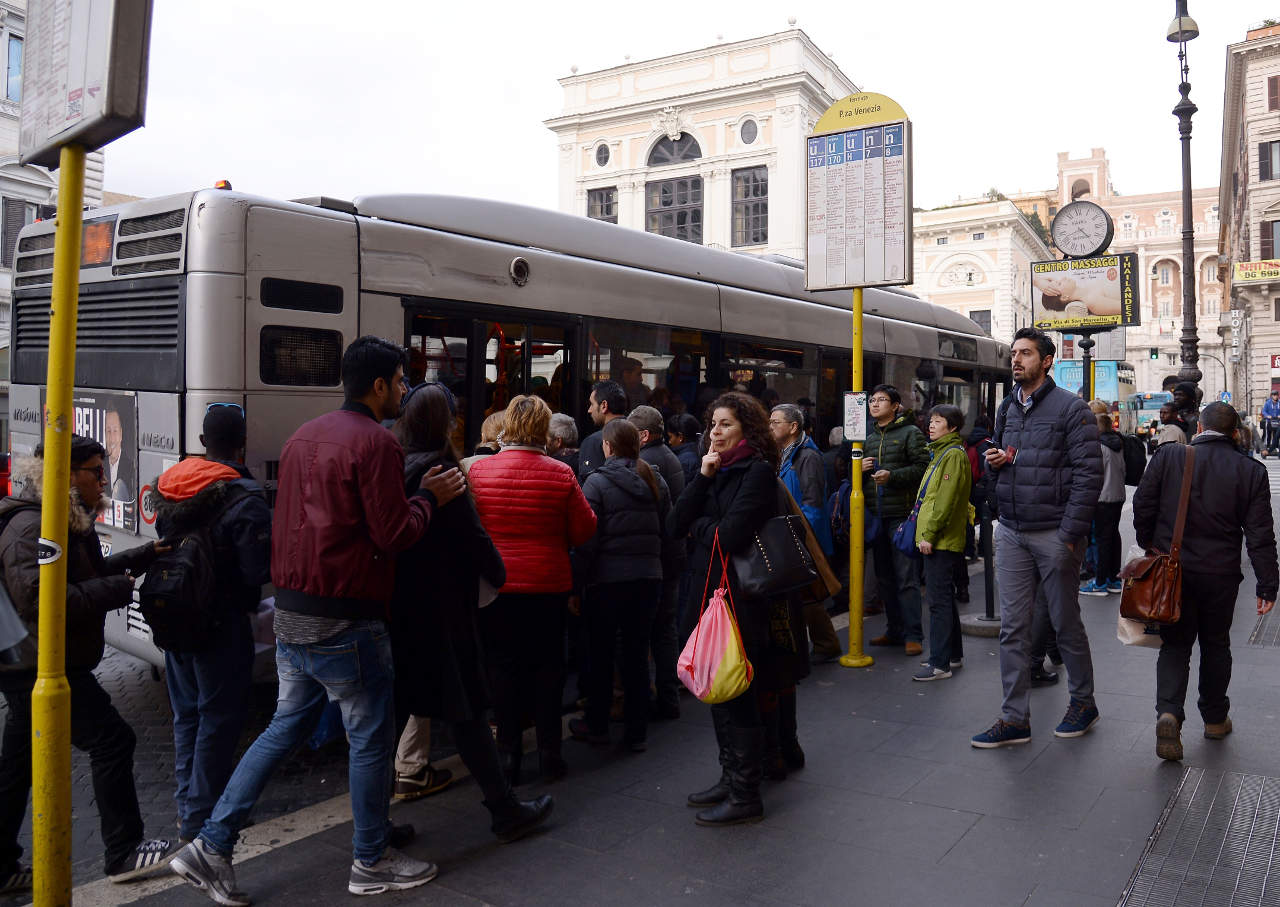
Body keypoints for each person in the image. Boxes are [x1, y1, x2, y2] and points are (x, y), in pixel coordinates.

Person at [171, 337, 467, 903]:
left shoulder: (304, 434)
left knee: (285, 727)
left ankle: (211, 844)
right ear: (378, 386)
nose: (404, 391)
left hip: (293, 612)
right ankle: (371, 860)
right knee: (370, 739)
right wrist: (429, 497)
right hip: (346, 619)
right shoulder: (376, 444)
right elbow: (395, 533)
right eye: (401, 381)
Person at [0, 436, 174, 895]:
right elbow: (43, 598)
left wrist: (141, 556)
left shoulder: (61, 519)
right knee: (113, 740)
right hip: (39, 667)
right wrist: (118, 590)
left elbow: (80, 576)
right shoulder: (32, 527)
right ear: (66, 474)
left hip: (33, 662)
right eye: (96, 471)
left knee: (17, 765)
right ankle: (123, 851)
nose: (103, 481)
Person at [389, 383, 553, 839]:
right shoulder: (443, 470)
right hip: (443, 611)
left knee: (389, 717)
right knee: (468, 714)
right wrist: (497, 573)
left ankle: (373, 821)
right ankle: (504, 809)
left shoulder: (396, 463)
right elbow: (473, 538)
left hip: (401, 608)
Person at [972, 327, 1102, 749]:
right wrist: (995, 470)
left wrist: (1069, 536)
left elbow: (1088, 477)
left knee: (1065, 624)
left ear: (1046, 361)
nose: (1016, 360)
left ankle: (1083, 703)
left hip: (1054, 533)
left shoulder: (1072, 409)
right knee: (1013, 629)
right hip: (1011, 530)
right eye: (1013, 353)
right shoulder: (1008, 407)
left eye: (1025, 353)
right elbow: (1004, 457)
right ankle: (1015, 718)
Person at [150, 404, 272, 849]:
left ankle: (190, 810)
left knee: (186, 716)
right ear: (241, 442)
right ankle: (202, 821)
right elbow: (255, 570)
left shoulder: (173, 486)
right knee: (219, 719)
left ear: (202, 443)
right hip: (221, 626)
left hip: (174, 616)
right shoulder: (244, 495)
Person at [1133, 402, 1278, 760]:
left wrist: (1149, 544)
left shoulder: (1169, 458)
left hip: (1174, 570)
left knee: (1175, 645)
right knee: (1216, 644)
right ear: (1234, 434)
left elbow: (1142, 504)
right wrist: (1267, 585)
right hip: (1220, 574)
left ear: (1199, 428)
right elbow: (1260, 534)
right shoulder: (1250, 471)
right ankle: (1214, 719)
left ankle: (1169, 713)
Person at [670, 392, 783, 827]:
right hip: (707, 591)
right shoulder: (714, 469)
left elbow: (728, 536)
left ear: (746, 431)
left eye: (724, 425)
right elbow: (673, 525)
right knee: (717, 688)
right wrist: (701, 478)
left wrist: (702, 529)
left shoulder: (756, 473)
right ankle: (728, 776)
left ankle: (745, 792)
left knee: (738, 693)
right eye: (712, 424)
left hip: (739, 597)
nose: (714, 433)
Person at [470, 395, 596, 784]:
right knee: (548, 668)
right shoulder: (560, 473)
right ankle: (549, 753)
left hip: (499, 587)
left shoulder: (480, 472)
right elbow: (584, 530)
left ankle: (508, 754)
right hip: (548, 584)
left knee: (503, 668)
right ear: (544, 429)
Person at [569, 419, 667, 751]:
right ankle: (636, 732)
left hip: (607, 582)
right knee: (637, 656)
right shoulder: (654, 479)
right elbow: (667, 528)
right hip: (648, 579)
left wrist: (575, 584)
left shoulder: (595, 483)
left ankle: (597, 725)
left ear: (607, 447)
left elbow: (586, 541)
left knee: (601, 655)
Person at [769, 403, 841, 662]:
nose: (770, 426)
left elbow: (812, 504)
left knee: (808, 595)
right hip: (791, 533)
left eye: (775, 422)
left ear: (793, 427)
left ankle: (826, 644)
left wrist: (800, 538)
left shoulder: (807, 457)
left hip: (803, 536)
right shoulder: (785, 453)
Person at [863, 385, 930, 656]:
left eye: (882, 400)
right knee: (884, 578)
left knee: (906, 578)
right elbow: (850, 471)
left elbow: (922, 468)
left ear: (895, 406)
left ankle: (914, 633)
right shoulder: (866, 436)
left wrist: (893, 476)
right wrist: (858, 468)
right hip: (875, 514)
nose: (875, 404)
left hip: (901, 516)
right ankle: (894, 630)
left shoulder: (910, 433)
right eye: (872, 400)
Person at [628, 405, 685, 720]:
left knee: (650, 632)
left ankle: (653, 699)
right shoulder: (670, 456)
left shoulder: (647, 463)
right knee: (666, 630)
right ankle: (669, 696)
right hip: (671, 556)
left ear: (644, 435)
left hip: (656, 559)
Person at [913, 405, 971, 681]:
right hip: (942, 538)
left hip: (941, 540)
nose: (931, 425)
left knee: (937, 602)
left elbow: (945, 501)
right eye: (931, 421)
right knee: (945, 598)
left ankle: (939, 663)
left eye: (938, 421)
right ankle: (953, 655)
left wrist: (929, 535)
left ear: (953, 427)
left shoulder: (951, 456)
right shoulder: (943, 452)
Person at [1080, 413, 1125, 596]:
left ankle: (1099, 583)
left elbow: (1093, 475)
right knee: (1112, 539)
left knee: (1101, 542)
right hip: (1117, 496)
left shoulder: (1098, 447)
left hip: (1102, 499)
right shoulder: (1118, 444)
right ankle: (1114, 580)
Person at [579, 379, 627, 481]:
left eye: (592, 404)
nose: (589, 410)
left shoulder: (593, 442)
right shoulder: (639, 435)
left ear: (604, 406)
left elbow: (587, 485)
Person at [667, 413, 702, 486]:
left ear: (680, 437)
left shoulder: (682, 462)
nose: (669, 442)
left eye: (670, 437)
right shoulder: (702, 449)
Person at [1263, 389, 1280, 457]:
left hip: (1278, 422)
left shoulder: (1279, 403)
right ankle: (1267, 446)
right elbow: (1264, 411)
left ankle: (1276, 447)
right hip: (1270, 421)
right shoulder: (1268, 403)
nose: (1275, 396)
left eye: (1276, 395)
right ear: (1271, 396)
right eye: (1274, 395)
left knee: (1276, 436)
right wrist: (1267, 415)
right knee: (1268, 435)